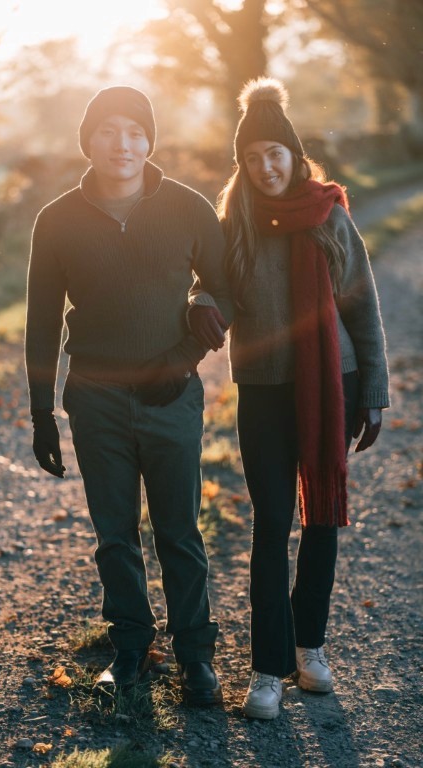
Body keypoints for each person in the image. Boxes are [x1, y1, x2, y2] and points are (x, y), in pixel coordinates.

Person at [25, 85, 232, 706]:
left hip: (172, 394)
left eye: (135, 131)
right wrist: (42, 412)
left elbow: (223, 287)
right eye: (109, 130)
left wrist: (185, 355)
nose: (123, 144)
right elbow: (40, 319)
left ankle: (196, 656)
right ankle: (131, 648)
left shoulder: (189, 208)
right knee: (115, 534)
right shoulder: (56, 219)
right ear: (88, 140)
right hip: (96, 398)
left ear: (150, 140)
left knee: (178, 530)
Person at [192, 78, 390, 719]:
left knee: (322, 522)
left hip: (334, 383)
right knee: (273, 524)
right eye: (252, 157)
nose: (265, 166)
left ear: (294, 154)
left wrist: (376, 392)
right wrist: (199, 303)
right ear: (242, 165)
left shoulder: (330, 216)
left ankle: (310, 647)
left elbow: (363, 307)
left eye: (274, 152)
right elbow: (211, 285)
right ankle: (266, 669)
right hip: (265, 390)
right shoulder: (235, 223)